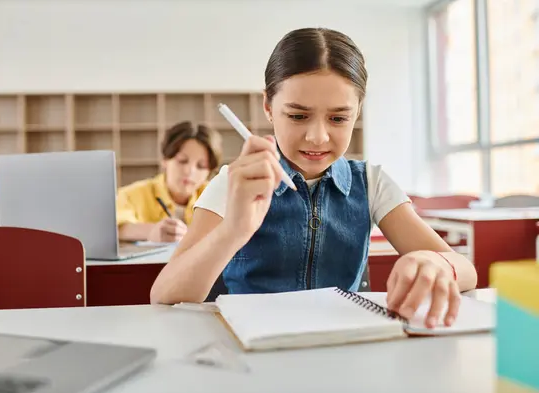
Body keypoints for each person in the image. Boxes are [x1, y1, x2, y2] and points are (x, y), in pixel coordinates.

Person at [150, 27, 478, 328]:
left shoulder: (372, 182)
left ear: (357, 111)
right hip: (251, 347)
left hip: (341, 348)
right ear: (268, 106)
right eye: (297, 115)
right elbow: (164, 294)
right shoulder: (233, 181)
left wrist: (436, 264)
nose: (317, 137)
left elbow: (467, 271)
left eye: (338, 118)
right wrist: (234, 230)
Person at [116, 121, 222, 243]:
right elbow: (117, 228)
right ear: (165, 160)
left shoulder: (217, 196)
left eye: (201, 166)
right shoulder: (131, 194)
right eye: (182, 161)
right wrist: (151, 231)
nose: (190, 171)